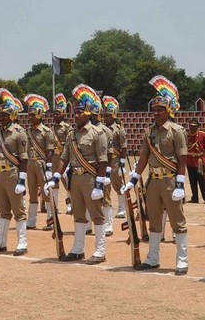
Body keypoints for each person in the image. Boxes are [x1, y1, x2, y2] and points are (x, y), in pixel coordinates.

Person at [122, 76, 189, 274]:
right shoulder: (148, 132)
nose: (157, 113)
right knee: (154, 221)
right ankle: (152, 258)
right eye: (155, 110)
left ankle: (182, 260)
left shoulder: (177, 131)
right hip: (153, 182)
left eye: (161, 109)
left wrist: (180, 184)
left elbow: (182, 159)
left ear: (169, 111)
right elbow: (143, 157)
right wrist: (133, 179)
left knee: (178, 221)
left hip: (170, 180)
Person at [46, 85, 108, 263]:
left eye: (80, 112)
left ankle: (100, 250)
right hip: (75, 178)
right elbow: (64, 159)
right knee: (79, 214)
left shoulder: (98, 133)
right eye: (75, 113)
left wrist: (99, 184)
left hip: (90, 178)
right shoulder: (71, 135)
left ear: (88, 113)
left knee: (96, 214)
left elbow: (102, 161)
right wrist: (55, 177)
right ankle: (78, 248)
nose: (77, 115)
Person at [0, 89, 29, 256]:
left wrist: (22, 180)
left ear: (12, 115)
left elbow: (24, 159)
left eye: (3, 115)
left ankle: (22, 242)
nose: (0, 118)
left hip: (13, 173)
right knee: (3, 210)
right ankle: (0, 242)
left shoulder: (19, 133)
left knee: (18, 210)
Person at [23, 94, 54, 231]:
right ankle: (31, 220)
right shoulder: (27, 131)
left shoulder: (47, 132)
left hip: (42, 164)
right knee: (32, 192)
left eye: (33, 115)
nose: (30, 118)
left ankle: (50, 219)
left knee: (46, 192)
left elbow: (50, 151)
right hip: (30, 163)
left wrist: (48, 167)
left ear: (40, 115)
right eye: (30, 115)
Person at [100, 96, 128, 221]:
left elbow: (124, 147)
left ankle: (122, 208)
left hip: (116, 160)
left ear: (114, 116)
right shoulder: (101, 129)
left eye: (108, 116)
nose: (105, 118)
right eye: (104, 116)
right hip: (105, 159)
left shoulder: (119, 130)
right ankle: (106, 207)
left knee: (118, 184)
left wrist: (122, 162)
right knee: (105, 185)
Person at [185, 120, 205, 203]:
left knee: (202, 180)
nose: (192, 128)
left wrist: (202, 155)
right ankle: (194, 197)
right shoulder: (186, 135)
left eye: (194, 126)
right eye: (191, 126)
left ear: (197, 127)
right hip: (189, 160)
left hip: (199, 160)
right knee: (192, 180)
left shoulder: (203, 135)